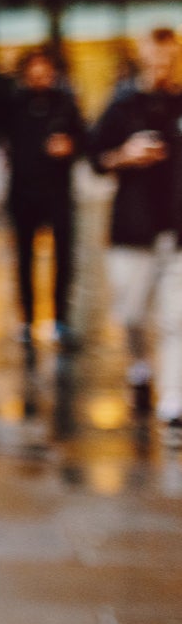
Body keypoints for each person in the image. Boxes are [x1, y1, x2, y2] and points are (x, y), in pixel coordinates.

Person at [88, 28, 182, 424]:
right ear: (144, 57)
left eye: (168, 58)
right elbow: (95, 157)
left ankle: (173, 399)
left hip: (176, 229)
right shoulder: (122, 104)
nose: (161, 66)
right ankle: (140, 368)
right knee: (131, 313)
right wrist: (124, 155)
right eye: (155, 58)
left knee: (175, 317)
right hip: (132, 226)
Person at [0, 48, 84, 346]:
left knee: (63, 258)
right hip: (23, 193)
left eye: (45, 71)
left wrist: (69, 146)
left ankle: (60, 318)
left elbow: (85, 139)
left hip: (58, 193)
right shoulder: (13, 103)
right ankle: (27, 320)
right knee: (24, 258)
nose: (40, 77)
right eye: (35, 72)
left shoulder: (65, 102)